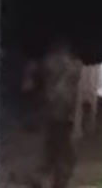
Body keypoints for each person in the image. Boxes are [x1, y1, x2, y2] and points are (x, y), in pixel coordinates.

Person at [37, 40, 83, 188]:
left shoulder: (49, 61)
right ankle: (58, 179)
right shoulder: (74, 64)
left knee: (55, 144)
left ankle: (52, 176)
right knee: (63, 148)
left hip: (55, 109)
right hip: (63, 110)